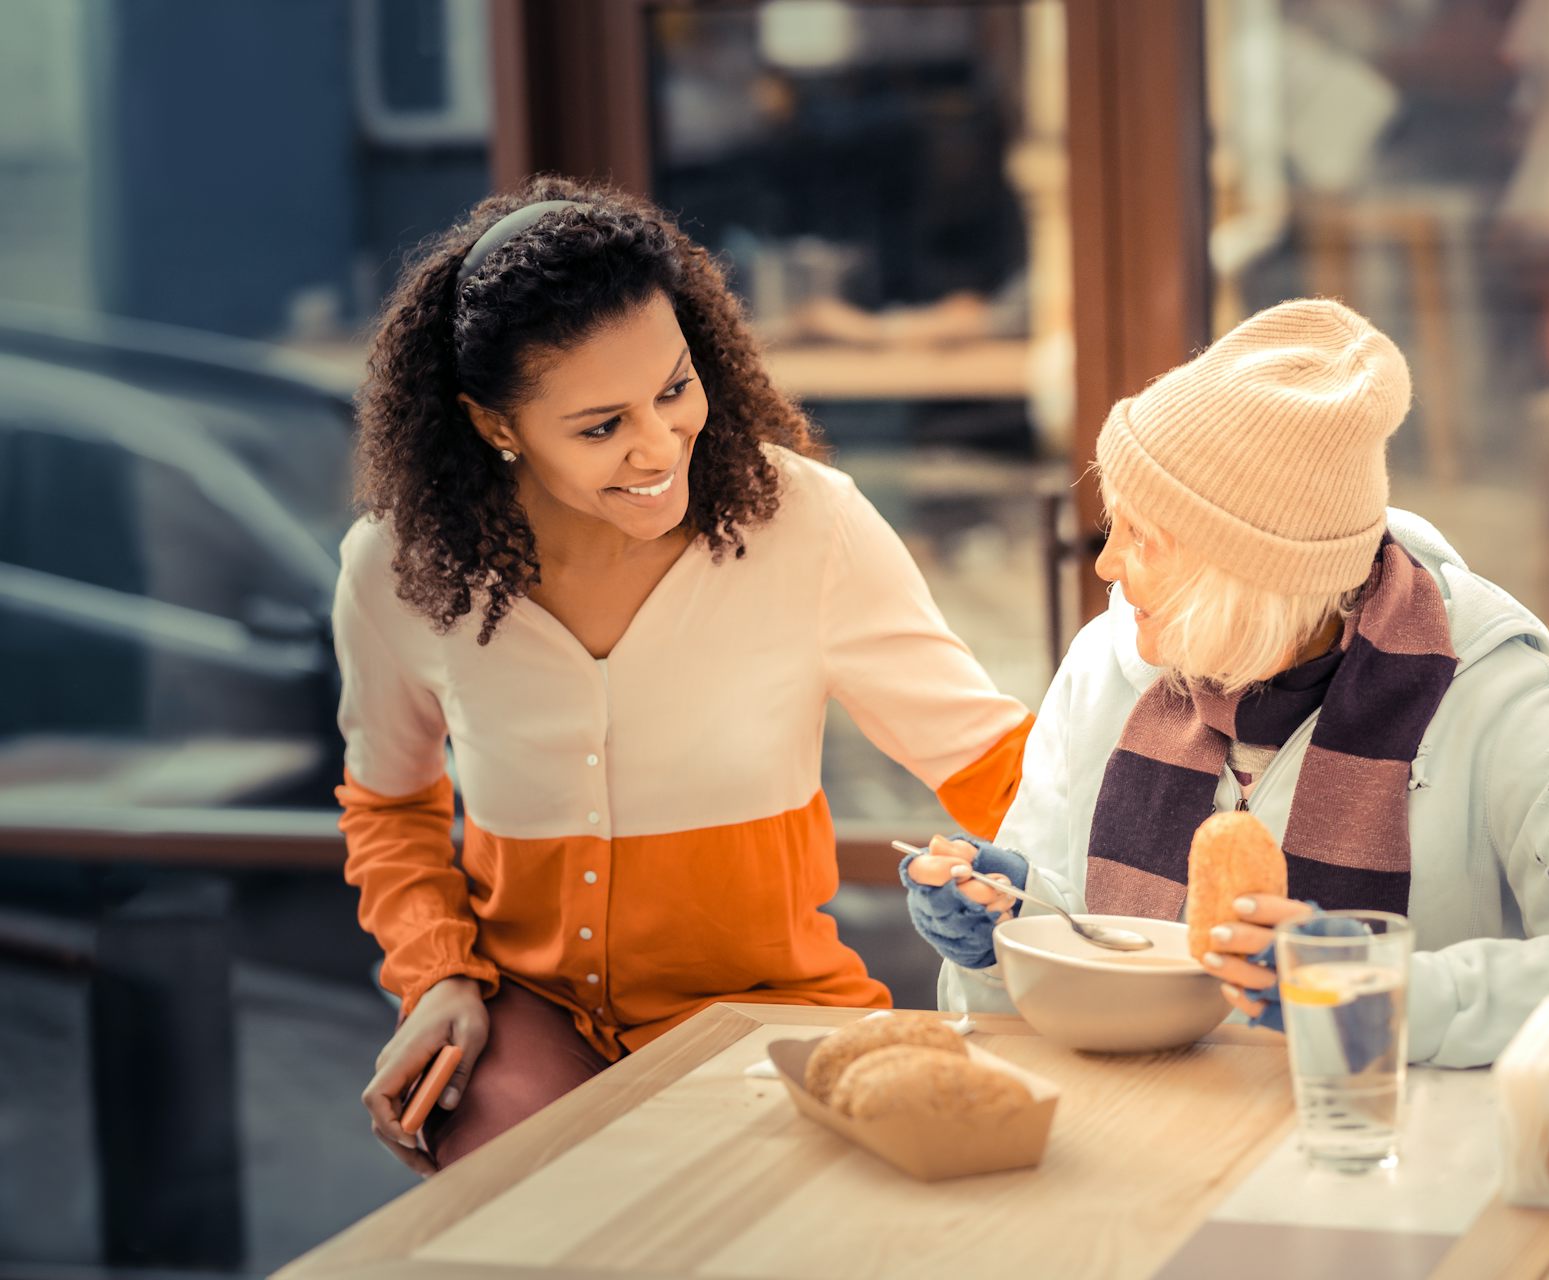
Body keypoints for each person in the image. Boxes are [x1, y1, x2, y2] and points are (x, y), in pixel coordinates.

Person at [339, 178, 1032, 1172]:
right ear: (496, 424)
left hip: (769, 1009)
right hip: (528, 1011)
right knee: (501, 1171)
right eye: (598, 425)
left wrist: (1157, 884)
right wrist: (436, 974)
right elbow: (390, 805)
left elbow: (992, 758)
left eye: (673, 387)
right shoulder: (396, 569)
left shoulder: (807, 523)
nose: (659, 445)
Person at [902, 298, 1549, 1068]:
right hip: (1133, 1160)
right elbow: (1044, 977)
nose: (1106, 563)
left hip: (1398, 1169)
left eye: (1143, 535)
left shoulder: (1486, 695)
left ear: (1248, 574)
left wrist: (1383, 994)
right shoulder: (1106, 663)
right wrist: (1001, 941)